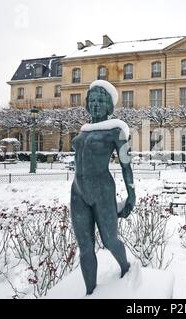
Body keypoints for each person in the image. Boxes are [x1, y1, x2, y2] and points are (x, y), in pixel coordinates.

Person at [70, 80, 136, 295]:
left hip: (102, 191)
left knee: (109, 240)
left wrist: (131, 194)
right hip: (78, 192)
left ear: (109, 105)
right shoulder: (84, 130)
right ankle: (90, 292)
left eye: (101, 101)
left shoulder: (116, 130)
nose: (96, 104)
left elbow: (126, 163)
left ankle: (126, 268)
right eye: (93, 100)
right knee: (85, 248)